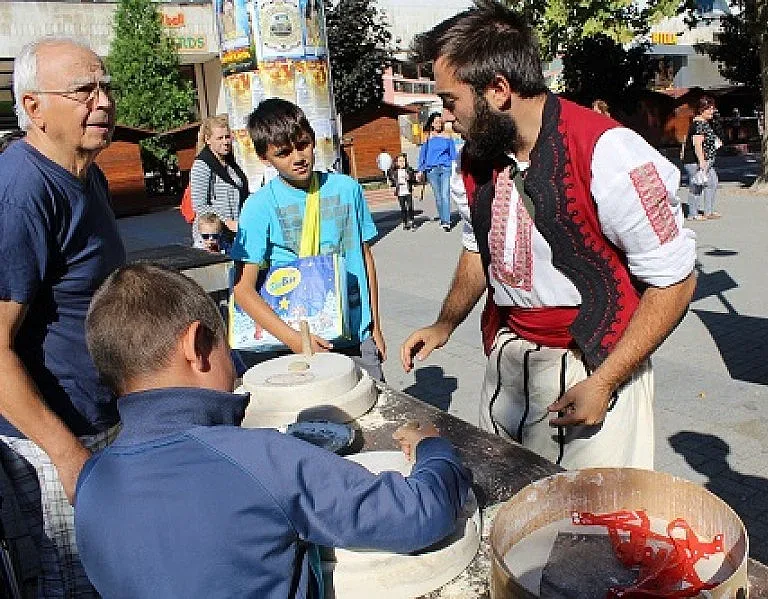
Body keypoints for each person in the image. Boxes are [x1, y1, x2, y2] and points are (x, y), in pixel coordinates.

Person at [401, 1, 696, 471]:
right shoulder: (475, 159)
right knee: (507, 497)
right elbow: (479, 249)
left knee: (590, 511)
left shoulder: (610, 153)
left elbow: (676, 282)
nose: (448, 116)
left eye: (450, 101)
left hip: (595, 367)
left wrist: (604, 382)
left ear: (498, 90)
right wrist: (444, 324)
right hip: (510, 363)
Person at [75, 263, 472, 599]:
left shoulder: (91, 484)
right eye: (227, 349)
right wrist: (433, 447)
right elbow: (419, 514)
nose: (235, 368)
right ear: (197, 346)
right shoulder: (262, 459)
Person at [0, 37, 125, 596]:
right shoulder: (21, 191)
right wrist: (65, 453)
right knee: (77, 585)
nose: (103, 102)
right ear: (34, 107)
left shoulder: (88, 171)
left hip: (100, 417)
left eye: (105, 87)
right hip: (54, 439)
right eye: (83, 91)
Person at [231, 98, 386, 380]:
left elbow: (365, 258)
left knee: (371, 402)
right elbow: (243, 290)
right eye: (283, 153)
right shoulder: (259, 206)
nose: (298, 158)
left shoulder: (348, 189)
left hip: (355, 335)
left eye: (303, 145)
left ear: (313, 139)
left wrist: (374, 324)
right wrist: (293, 339)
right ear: (264, 157)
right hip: (293, 344)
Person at [190, 114, 249, 246]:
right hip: (212, 238)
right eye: (220, 138)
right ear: (208, 139)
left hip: (233, 235)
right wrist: (226, 221)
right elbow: (199, 205)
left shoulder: (230, 164)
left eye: (227, 137)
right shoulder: (202, 164)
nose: (225, 142)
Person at [682, 96, 721, 221]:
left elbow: (707, 139)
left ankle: (708, 211)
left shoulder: (705, 123)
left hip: (706, 160)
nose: (711, 111)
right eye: (708, 109)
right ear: (701, 110)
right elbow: (697, 144)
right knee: (697, 185)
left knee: (712, 182)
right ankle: (693, 214)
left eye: (712, 109)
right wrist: (701, 161)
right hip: (695, 161)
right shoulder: (698, 124)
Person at [417, 112, 457, 231]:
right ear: (432, 124)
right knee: (438, 197)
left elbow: (453, 154)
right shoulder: (428, 137)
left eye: (440, 122)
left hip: (445, 168)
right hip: (432, 170)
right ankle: (443, 218)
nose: (439, 124)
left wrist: (456, 167)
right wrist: (420, 170)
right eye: (436, 122)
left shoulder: (447, 136)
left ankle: (446, 222)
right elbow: (422, 154)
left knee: (445, 194)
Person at [388, 152, 416, 230]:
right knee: (403, 208)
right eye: (400, 161)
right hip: (400, 191)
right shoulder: (394, 171)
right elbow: (391, 181)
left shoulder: (409, 169)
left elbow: (414, 179)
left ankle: (411, 221)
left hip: (408, 191)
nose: (402, 163)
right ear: (396, 162)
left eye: (403, 161)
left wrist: (409, 177)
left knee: (410, 206)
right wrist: (392, 185)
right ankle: (405, 222)